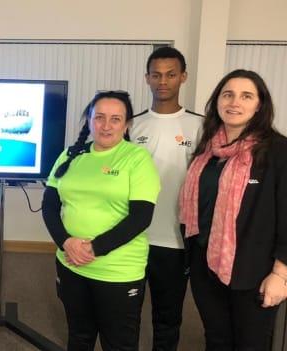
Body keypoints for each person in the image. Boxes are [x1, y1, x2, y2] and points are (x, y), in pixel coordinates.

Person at [42, 90, 161, 351]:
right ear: (89, 120)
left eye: (115, 119)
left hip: (117, 271)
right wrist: (66, 243)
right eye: (99, 118)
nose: (106, 126)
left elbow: (140, 217)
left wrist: (93, 248)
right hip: (71, 263)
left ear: (127, 124)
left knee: (118, 343)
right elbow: (49, 207)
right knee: (79, 337)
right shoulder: (70, 155)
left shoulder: (137, 159)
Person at [179, 69, 287, 350]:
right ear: (217, 101)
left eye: (246, 96)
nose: (234, 102)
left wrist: (281, 274)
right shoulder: (208, 150)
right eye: (228, 94)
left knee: (250, 344)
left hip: (255, 272)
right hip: (205, 266)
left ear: (259, 104)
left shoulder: (278, 151)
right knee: (216, 338)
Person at [128, 46, 203, 350]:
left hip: (175, 241)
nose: (163, 81)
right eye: (156, 74)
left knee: (168, 319)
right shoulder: (131, 125)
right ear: (147, 78)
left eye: (171, 74)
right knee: (126, 316)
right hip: (131, 239)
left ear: (183, 77)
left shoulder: (201, 126)